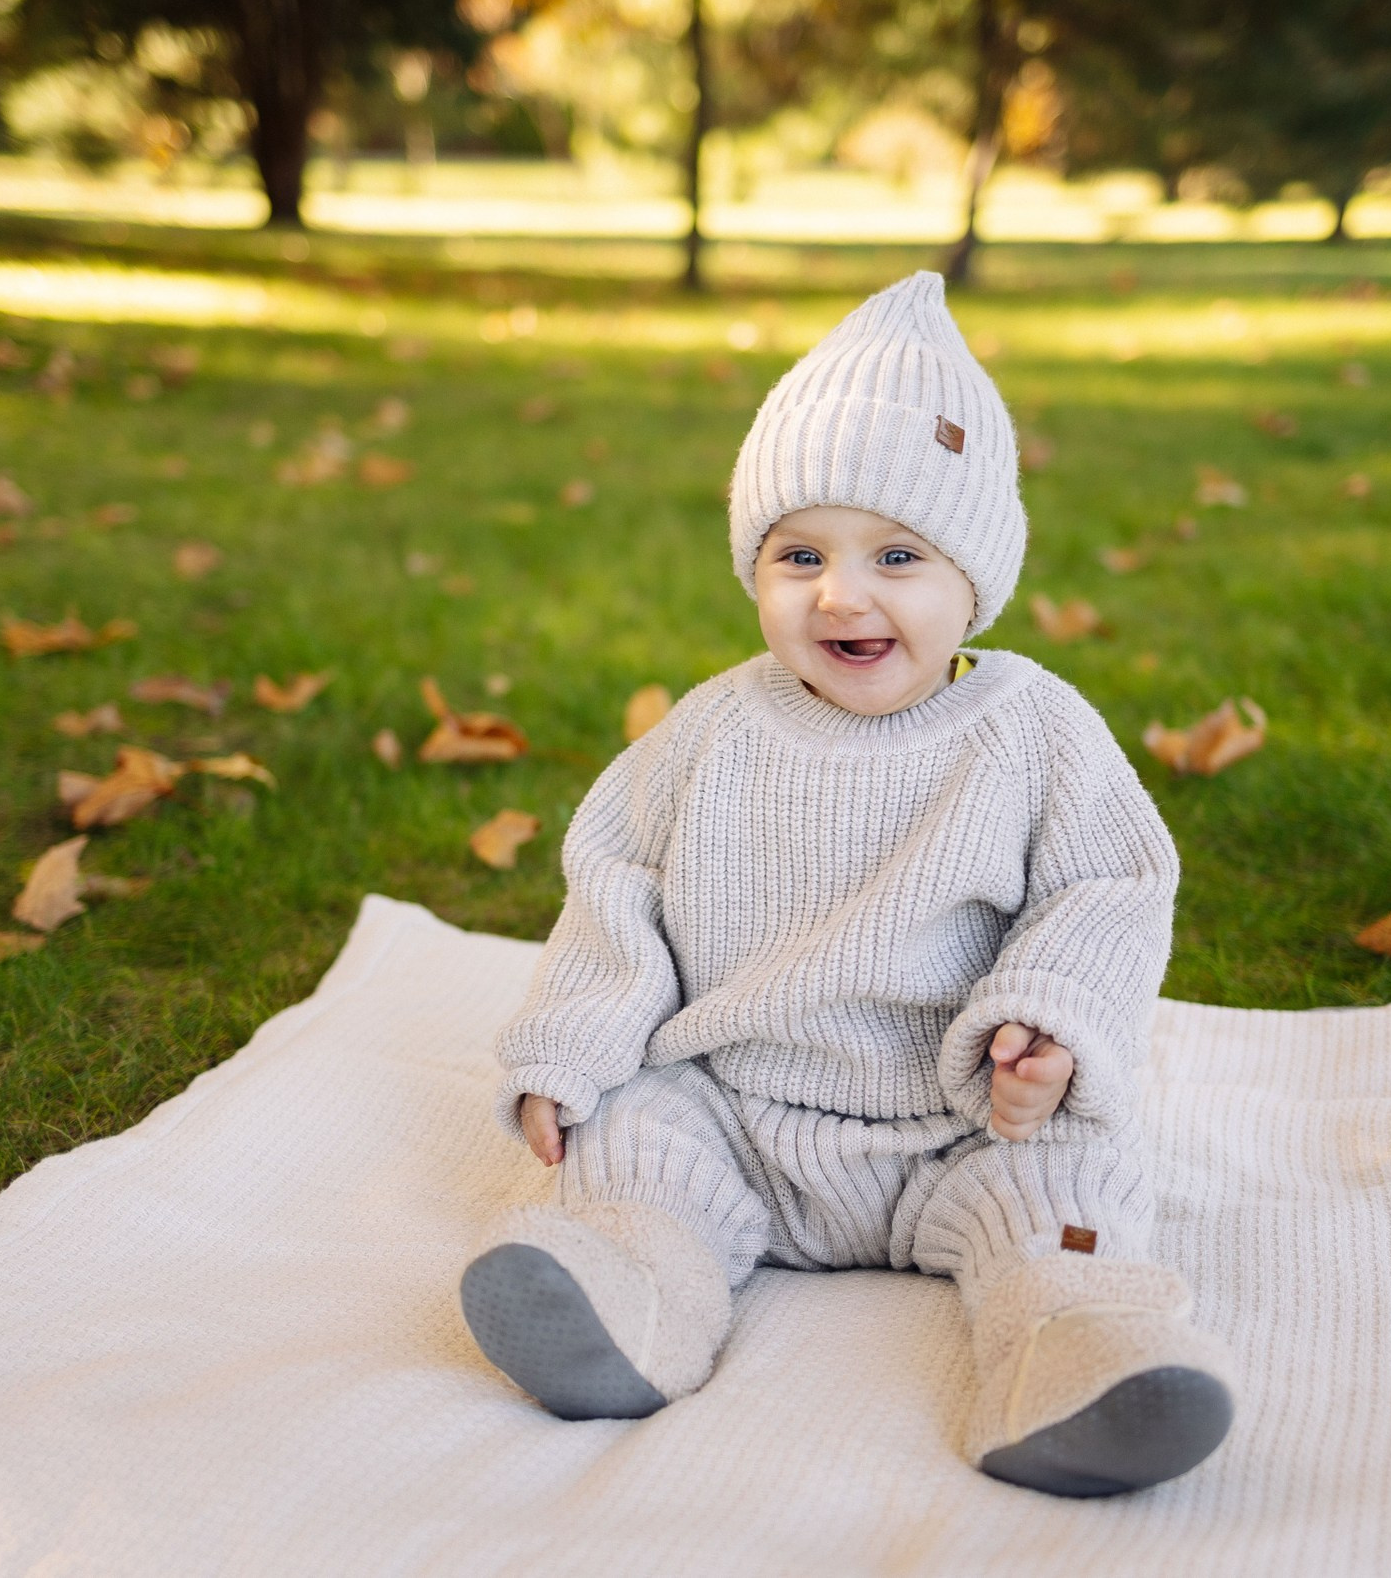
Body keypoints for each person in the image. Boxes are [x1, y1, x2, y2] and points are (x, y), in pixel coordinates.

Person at [458, 271, 1235, 1497]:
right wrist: (566, 1051)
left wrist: (1043, 1026)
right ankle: (627, 1297)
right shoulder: (710, 734)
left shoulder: (1030, 728)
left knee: (1069, 1194)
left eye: (897, 555)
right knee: (635, 1145)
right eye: (798, 552)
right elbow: (614, 898)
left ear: (974, 579)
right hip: (739, 1107)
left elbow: (1109, 886)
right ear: (752, 568)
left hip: (968, 1122)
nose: (841, 592)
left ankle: (1076, 1350)